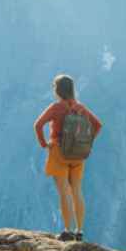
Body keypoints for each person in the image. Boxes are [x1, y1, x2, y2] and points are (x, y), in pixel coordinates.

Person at [34, 74, 102, 241]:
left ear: (57, 90)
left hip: (59, 153)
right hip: (78, 155)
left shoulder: (56, 108)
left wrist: (44, 144)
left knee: (64, 192)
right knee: (77, 191)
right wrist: (88, 143)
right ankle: (79, 231)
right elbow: (98, 125)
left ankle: (67, 230)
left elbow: (38, 125)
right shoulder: (80, 107)